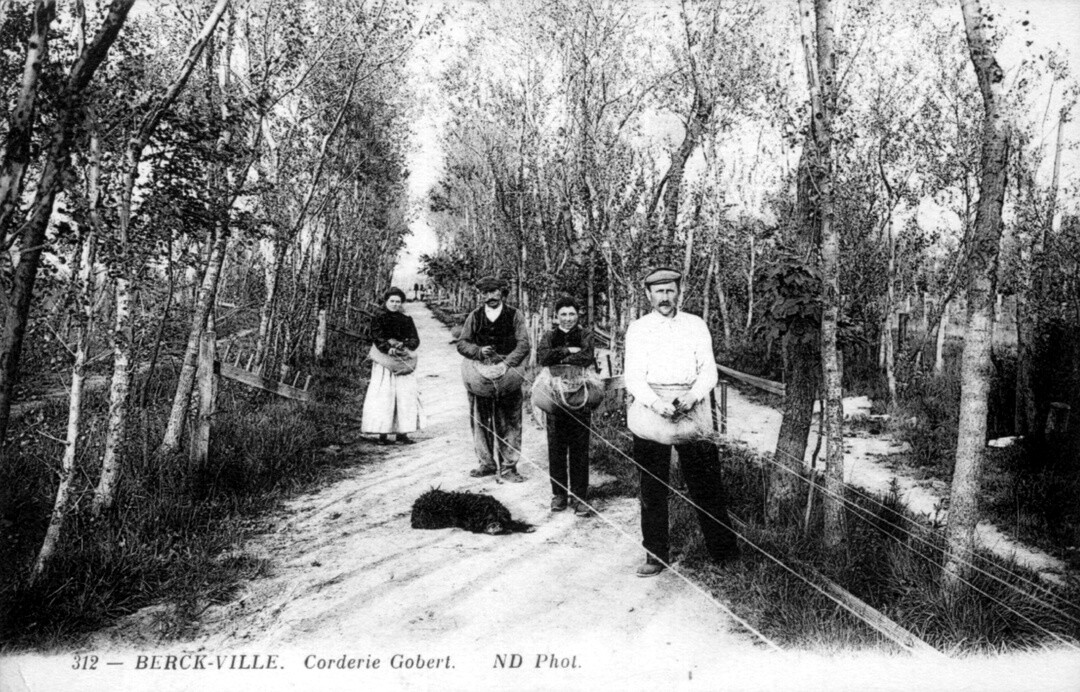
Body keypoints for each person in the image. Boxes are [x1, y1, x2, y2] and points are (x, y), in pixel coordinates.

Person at [624, 267, 739, 577]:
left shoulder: (695, 325)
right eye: (659, 291)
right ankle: (655, 553)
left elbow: (709, 371)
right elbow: (632, 375)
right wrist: (655, 403)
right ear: (648, 295)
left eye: (670, 290)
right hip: (652, 410)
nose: (665, 297)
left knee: (707, 484)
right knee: (652, 487)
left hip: (692, 408)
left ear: (678, 293)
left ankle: (724, 554)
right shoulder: (638, 329)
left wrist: (693, 396)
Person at [457, 276, 531, 482]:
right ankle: (486, 464)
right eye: (485, 292)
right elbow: (462, 343)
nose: (490, 296)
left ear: (502, 292)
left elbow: (524, 344)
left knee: (510, 420)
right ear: (481, 295)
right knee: (480, 419)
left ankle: (509, 467)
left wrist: (507, 363)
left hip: (508, 374)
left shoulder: (515, 315)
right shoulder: (475, 316)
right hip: (480, 374)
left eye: (494, 291)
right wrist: (479, 351)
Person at [536, 296, 597, 516]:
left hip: (580, 392)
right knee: (556, 446)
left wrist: (561, 358)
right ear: (556, 316)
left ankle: (580, 497)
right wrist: (568, 352)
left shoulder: (586, 334)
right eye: (563, 314)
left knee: (580, 446)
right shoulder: (549, 336)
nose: (568, 318)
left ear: (578, 315)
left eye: (572, 314)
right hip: (555, 393)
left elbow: (587, 356)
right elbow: (543, 358)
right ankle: (559, 494)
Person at [361, 287, 423, 444]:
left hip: (402, 361)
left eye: (398, 301)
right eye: (392, 301)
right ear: (386, 302)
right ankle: (382, 434)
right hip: (384, 362)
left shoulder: (406, 319)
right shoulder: (379, 318)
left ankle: (403, 433)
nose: (395, 304)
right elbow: (376, 337)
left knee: (405, 396)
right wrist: (389, 348)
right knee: (384, 396)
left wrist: (405, 345)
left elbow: (415, 339)